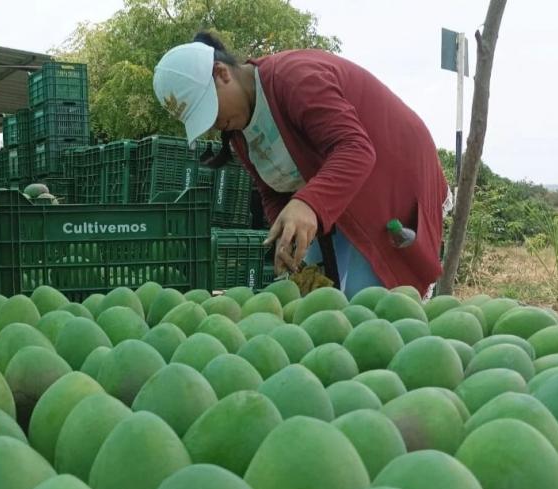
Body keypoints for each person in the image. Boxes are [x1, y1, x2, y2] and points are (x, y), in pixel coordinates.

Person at [153, 32, 451, 300]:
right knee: (312, 291)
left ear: (222, 74)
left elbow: (355, 149)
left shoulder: (294, 78)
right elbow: (273, 190)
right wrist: (286, 236)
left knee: (367, 303)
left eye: (211, 110)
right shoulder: (238, 129)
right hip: (336, 185)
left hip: (389, 175)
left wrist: (307, 205)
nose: (214, 124)